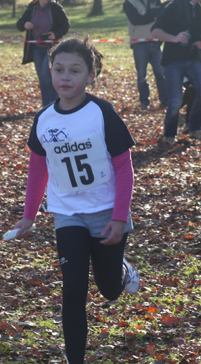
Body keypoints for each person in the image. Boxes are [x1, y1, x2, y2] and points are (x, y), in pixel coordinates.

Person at [10, 37, 140, 364]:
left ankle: (123, 270)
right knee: (73, 290)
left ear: (91, 75)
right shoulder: (44, 119)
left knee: (109, 290)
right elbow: (38, 169)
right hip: (67, 214)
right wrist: (29, 216)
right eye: (59, 69)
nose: (65, 77)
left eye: (75, 70)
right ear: (50, 71)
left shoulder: (102, 112)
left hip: (106, 212)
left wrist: (120, 217)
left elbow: (124, 169)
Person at [151, 0, 201, 144]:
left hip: (194, 59)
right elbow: (155, 31)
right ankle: (170, 134)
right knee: (176, 100)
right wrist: (174, 38)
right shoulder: (173, 6)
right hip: (173, 61)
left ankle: (195, 128)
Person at [16, 0, 70, 107]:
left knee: (47, 74)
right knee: (41, 77)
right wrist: (25, 24)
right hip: (36, 48)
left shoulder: (55, 8)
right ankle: (46, 106)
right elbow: (19, 23)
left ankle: (55, 103)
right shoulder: (32, 8)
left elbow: (65, 25)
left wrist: (55, 34)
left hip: (51, 47)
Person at [123, 0, 168, 110]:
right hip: (139, 43)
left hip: (156, 42)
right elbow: (135, 20)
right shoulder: (129, 2)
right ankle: (144, 102)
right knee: (142, 75)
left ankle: (165, 100)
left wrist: (146, 15)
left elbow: (162, 17)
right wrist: (152, 15)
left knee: (161, 73)